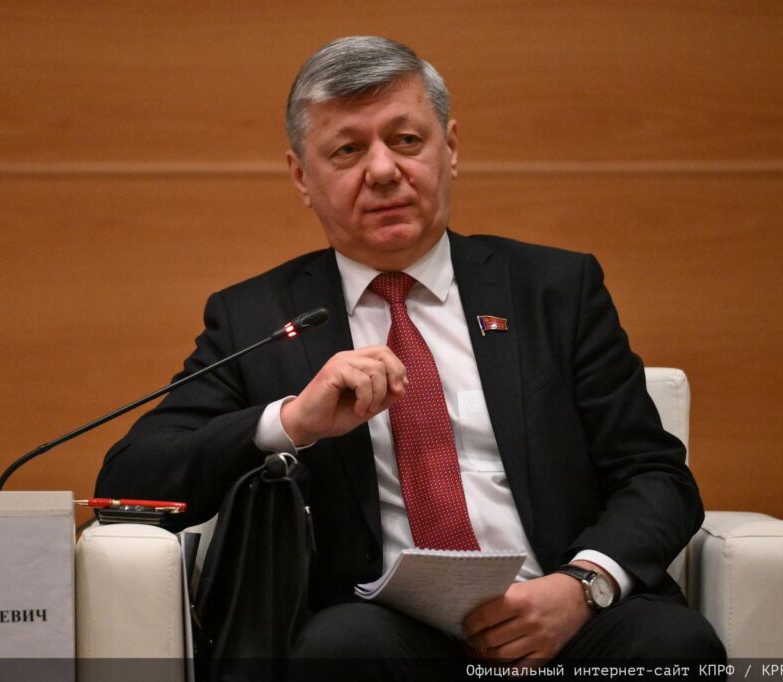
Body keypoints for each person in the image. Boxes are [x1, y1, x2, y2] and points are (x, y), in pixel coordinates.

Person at [96, 36, 725, 678]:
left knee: (675, 645)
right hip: (384, 637)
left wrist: (583, 586)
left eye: (405, 140)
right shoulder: (256, 317)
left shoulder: (554, 290)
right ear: (302, 176)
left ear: (449, 148)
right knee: (340, 648)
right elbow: (131, 477)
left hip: (565, 618)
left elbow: (656, 475)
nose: (382, 170)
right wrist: (291, 421)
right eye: (347, 150)